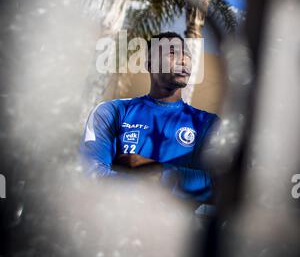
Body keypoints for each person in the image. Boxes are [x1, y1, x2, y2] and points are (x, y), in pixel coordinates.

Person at [80, 31, 220, 205]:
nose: (183, 60)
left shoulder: (207, 123)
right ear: (150, 64)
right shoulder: (111, 112)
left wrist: (157, 172)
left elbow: (219, 186)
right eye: (172, 53)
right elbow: (91, 176)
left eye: (187, 55)